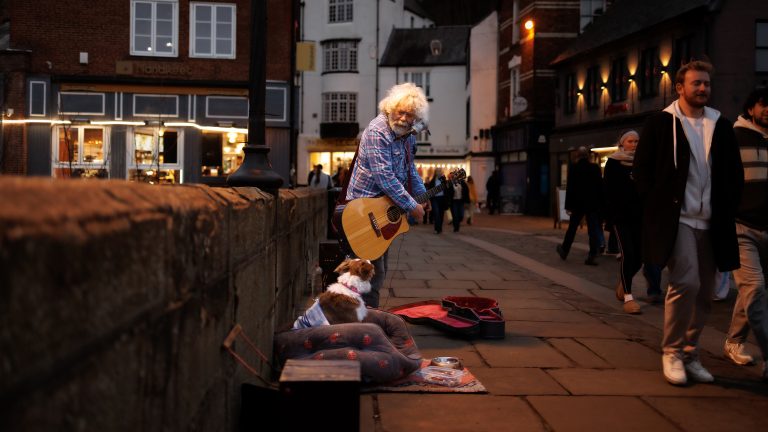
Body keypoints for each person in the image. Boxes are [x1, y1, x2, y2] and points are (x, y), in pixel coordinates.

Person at [634, 60, 743, 386]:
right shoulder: (660, 123)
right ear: (679, 87)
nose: (702, 89)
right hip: (677, 219)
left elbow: (733, 174)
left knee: (707, 293)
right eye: (696, 83)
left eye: (706, 84)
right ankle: (671, 352)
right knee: (687, 282)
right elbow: (642, 173)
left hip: (712, 221)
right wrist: (655, 208)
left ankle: (691, 353)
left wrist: (729, 205)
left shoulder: (720, 125)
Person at [345, 82, 429, 308]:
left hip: (384, 209)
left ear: (416, 118)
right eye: (400, 112)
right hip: (363, 209)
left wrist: (422, 194)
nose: (403, 118)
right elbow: (384, 177)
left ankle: (368, 318)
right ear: (390, 108)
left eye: (409, 115)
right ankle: (359, 321)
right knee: (368, 273)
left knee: (378, 271)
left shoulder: (409, 136)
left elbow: (410, 168)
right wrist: (412, 205)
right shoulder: (377, 131)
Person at [723, 88, 768, 380]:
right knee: (755, 289)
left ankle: (734, 342)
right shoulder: (734, 137)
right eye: (765, 105)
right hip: (741, 226)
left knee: (754, 290)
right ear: (751, 108)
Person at [604, 130, 662, 315]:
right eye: (631, 141)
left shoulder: (644, 162)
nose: (635, 144)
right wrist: (609, 216)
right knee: (628, 253)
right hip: (621, 217)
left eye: (637, 141)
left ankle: (624, 282)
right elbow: (608, 190)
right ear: (622, 143)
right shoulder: (613, 162)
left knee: (639, 258)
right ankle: (629, 297)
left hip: (641, 217)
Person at [556, 146, 603, 266]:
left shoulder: (574, 168)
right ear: (588, 156)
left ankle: (564, 250)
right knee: (592, 229)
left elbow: (570, 188)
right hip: (592, 204)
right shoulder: (595, 168)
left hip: (577, 204)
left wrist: (568, 206)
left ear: (578, 155)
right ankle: (592, 255)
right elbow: (600, 187)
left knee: (572, 228)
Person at [426, 168, 446, 234]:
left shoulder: (443, 180)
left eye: (440, 171)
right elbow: (429, 190)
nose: (439, 172)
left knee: (441, 214)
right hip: (435, 199)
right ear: (436, 173)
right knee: (436, 213)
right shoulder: (432, 181)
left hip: (442, 199)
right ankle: (437, 228)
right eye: (438, 171)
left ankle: (440, 228)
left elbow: (447, 189)